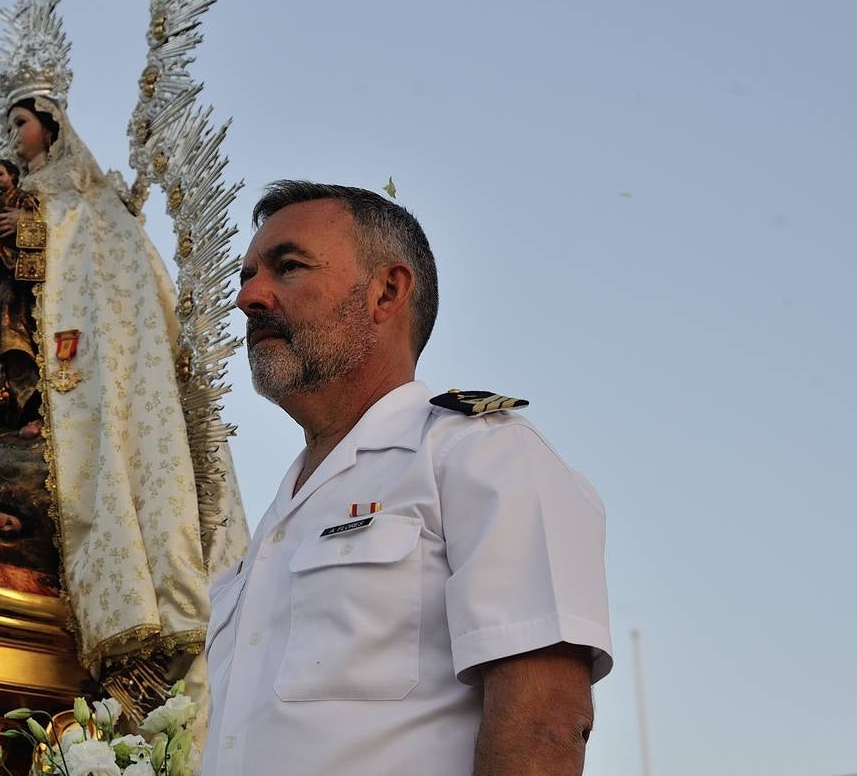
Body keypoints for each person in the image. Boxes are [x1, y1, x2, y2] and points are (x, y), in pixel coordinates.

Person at [202, 181, 612, 776]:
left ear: (386, 291)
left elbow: (544, 719)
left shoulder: (479, 454)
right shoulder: (272, 525)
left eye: (287, 268)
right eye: (245, 276)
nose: (249, 297)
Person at [0, 89, 247, 725]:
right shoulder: (16, 191)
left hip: (54, 334)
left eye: (21, 123)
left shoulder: (82, 187)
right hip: (6, 295)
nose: (13, 136)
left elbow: (105, 254)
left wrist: (41, 232)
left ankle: (26, 415)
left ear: (50, 126)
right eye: (9, 126)